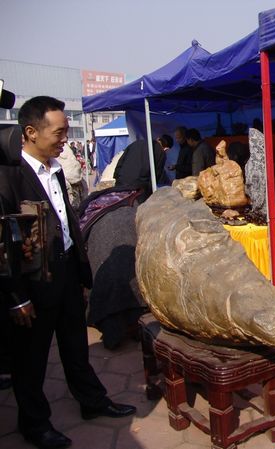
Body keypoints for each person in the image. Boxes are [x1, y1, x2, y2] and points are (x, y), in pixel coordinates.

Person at [0, 96, 136, 449]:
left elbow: (65, 224)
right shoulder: (9, 178)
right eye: (59, 132)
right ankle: (34, 424)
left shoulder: (55, 168)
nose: (65, 139)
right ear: (31, 132)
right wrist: (15, 298)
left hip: (65, 273)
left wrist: (80, 272)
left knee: (76, 346)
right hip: (31, 284)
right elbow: (2, 248)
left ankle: (92, 401)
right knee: (30, 358)